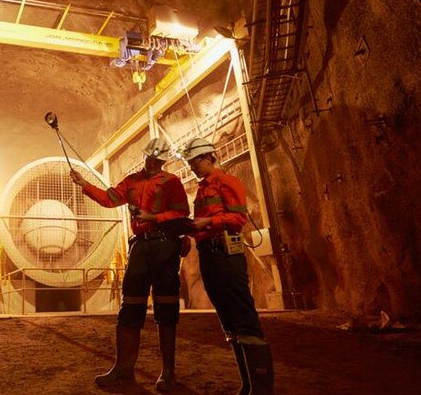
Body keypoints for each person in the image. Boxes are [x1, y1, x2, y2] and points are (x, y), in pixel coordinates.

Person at [70, 137, 190, 391]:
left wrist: (153, 217)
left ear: (163, 160)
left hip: (164, 245)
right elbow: (109, 199)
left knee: (166, 307)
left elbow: (181, 213)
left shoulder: (172, 182)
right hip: (140, 247)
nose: (152, 163)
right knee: (130, 305)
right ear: (145, 156)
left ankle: (168, 374)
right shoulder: (132, 181)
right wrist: (84, 184)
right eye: (149, 158)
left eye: (157, 160)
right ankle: (123, 370)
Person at [181, 137, 274, 395]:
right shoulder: (201, 190)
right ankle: (247, 384)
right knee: (229, 322)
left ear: (209, 157)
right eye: (189, 163)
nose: (191, 167)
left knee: (244, 317)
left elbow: (237, 218)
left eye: (194, 161)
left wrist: (205, 224)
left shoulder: (227, 182)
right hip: (209, 255)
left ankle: (262, 389)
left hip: (226, 255)